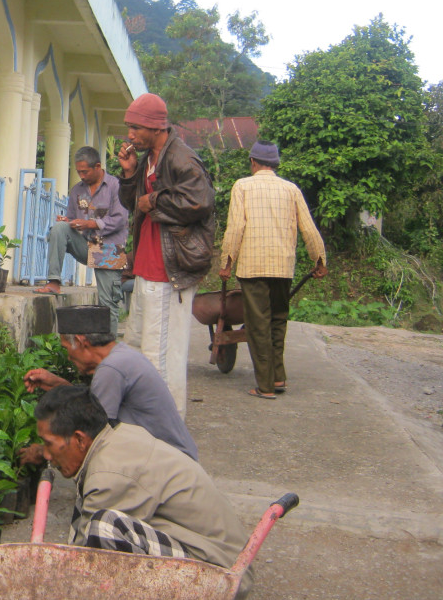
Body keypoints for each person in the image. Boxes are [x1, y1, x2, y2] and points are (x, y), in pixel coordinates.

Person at [34, 384, 253, 598]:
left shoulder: (109, 474)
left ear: (80, 439)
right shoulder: (117, 436)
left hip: (222, 573)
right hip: (210, 550)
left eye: (49, 444)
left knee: (104, 527)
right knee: (87, 512)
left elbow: (84, 558)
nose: (46, 455)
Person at [117, 92, 215, 417]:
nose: (130, 134)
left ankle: (165, 434)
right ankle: (150, 425)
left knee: (159, 360)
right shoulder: (149, 158)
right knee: (138, 350)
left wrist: (155, 201)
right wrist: (130, 174)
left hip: (167, 272)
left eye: (135, 127)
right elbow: (134, 204)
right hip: (148, 270)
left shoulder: (182, 158)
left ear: (155, 127)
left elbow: (200, 202)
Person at [219, 140, 329, 400]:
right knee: (278, 320)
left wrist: (226, 261)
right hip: (283, 267)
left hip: (253, 268)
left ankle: (265, 386)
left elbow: (236, 227)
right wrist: (319, 260)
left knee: (258, 325)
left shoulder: (242, 186)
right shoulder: (291, 189)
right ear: (276, 164)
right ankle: (278, 376)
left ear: (253, 162)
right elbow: (308, 227)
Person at [21, 305, 198, 460]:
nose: (68, 356)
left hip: (168, 465)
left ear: (82, 342)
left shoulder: (112, 369)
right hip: (170, 457)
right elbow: (94, 405)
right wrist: (57, 384)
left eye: (67, 348)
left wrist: (45, 450)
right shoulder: (121, 355)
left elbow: (93, 430)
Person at [32, 146, 128, 326]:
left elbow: (120, 220)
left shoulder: (116, 186)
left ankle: (107, 350)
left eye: (85, 172)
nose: (82, 176)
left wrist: (89, 224)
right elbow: (72, 218)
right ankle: (53, 282)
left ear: (98, 166)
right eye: (78, 172)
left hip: (110, 249)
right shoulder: (76, 190)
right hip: (85, 244)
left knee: (109, 305)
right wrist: (67, 220)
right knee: (59, 228)